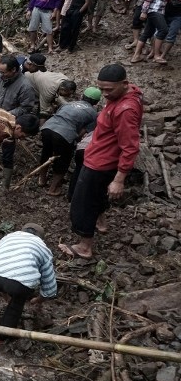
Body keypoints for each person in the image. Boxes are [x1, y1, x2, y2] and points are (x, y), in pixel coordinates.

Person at [60, 64, 142, 259]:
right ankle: (100, 222)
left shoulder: (125, 110)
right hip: (100, 156)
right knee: (96, 196)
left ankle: (84, 247)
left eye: (109, 89)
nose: (104, 94)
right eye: (101, 89)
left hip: (101, 163)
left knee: (83, 202)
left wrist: (120, 178)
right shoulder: (127, 95)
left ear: (124, 84)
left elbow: (130, 146)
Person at [38, 87, 100, 196]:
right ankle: (53, 188)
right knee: (63, 159)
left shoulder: (69, 104)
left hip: (48, 127)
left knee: (46, 152)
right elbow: (82, 133)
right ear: (96, 102)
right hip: (65, 133)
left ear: (82, 96)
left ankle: (41, 179)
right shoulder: (93, 114)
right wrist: (74, 141)